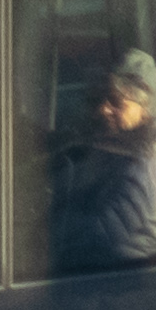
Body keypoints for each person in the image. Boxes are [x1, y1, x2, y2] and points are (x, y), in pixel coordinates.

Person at [62, 53, 156, 276]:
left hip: (123, 290)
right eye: (104, 99)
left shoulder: (145, 165)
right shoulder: (116, 148)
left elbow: (103, 236)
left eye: (116, 102)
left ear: (144, 111)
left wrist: (48, 238)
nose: (104, 109)